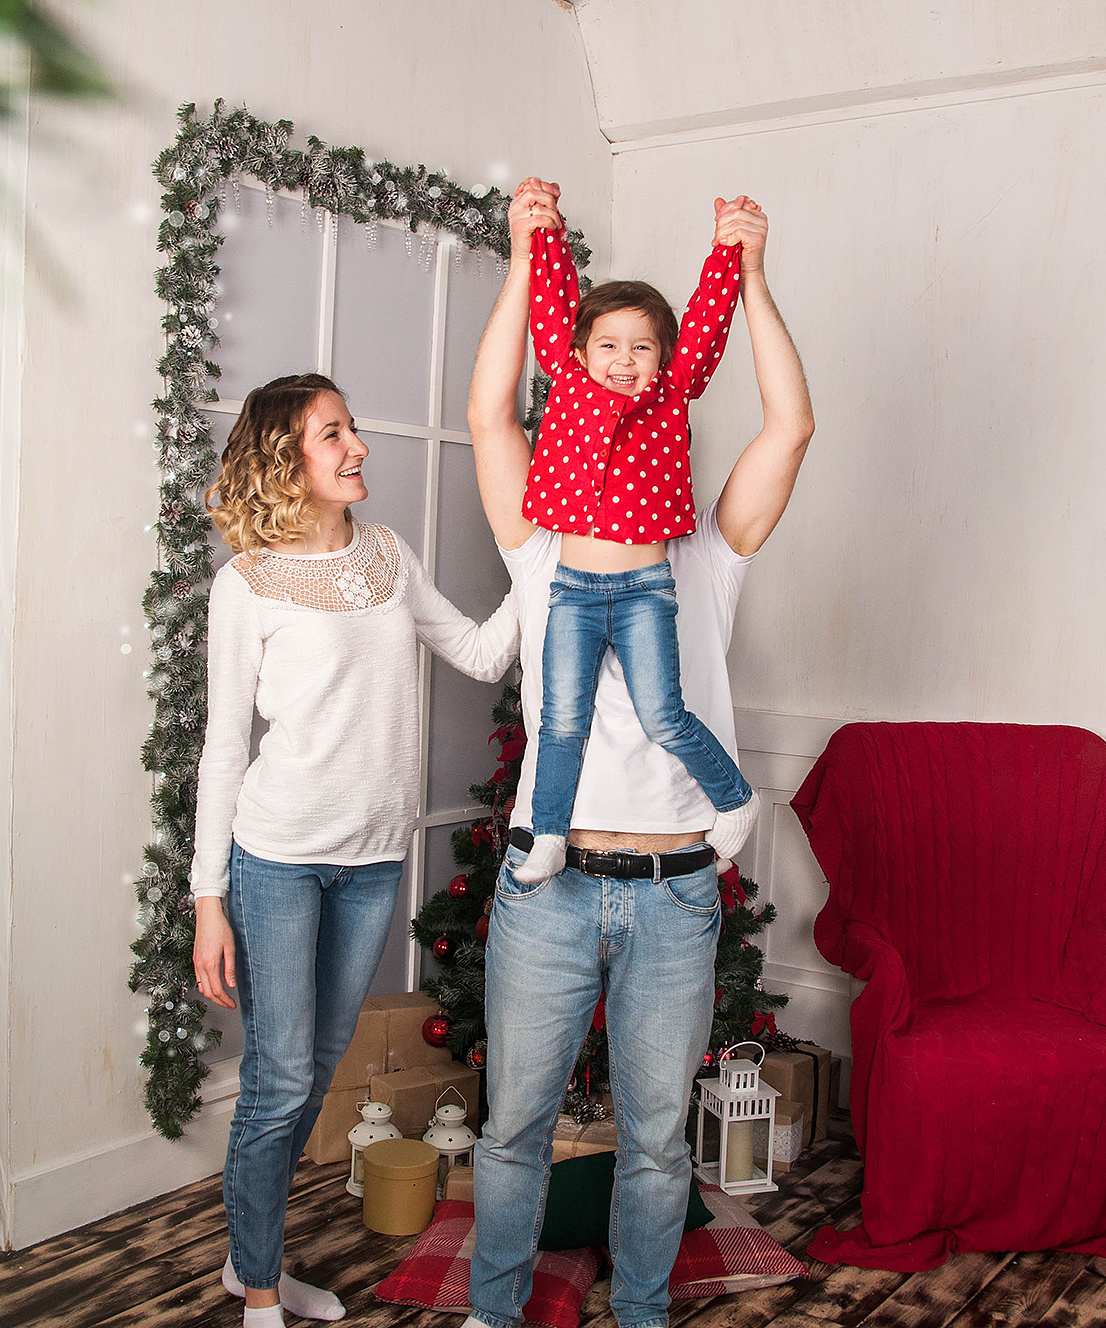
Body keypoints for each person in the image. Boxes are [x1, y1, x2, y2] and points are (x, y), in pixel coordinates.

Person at [463, 181, 814, 1328]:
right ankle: (492, 1312)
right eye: (599, 354)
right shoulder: (541, 543)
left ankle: (643, 1313)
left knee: (659, 1142)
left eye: (642, 360)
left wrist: (751, 277)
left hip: (673, 895)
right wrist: (525, 253)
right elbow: (486, 418)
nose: (622, 374)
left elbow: (791, 425)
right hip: (546, 889)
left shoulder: (703, 554)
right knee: (512, 1126)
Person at [189, 373, 519, 1328]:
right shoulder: (244, 583)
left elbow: (481, 651)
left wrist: (548, 572)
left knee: (312, 1069)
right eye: (333, 434)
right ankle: (257, 1286)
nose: (357, 447)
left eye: (352, 429)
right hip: (278, 860)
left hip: (373, 863)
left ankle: (250, 1251)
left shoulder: (387, 556)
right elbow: (223, 749)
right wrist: (210, 898)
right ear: (288, 457)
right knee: (280, 1077)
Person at [512, 222, 757, 885]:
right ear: (580, 351)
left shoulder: (673, 391)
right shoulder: (566, 382)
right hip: (576, 591)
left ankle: (735, 798)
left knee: (663, 714)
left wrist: (728, 252)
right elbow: (553, 305)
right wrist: (543, 235)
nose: (624, 359)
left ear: (664, 357)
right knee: (561, 718)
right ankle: (551, 834)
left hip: (647, 588)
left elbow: (705, 324)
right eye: (610, 345)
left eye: (641, 347)